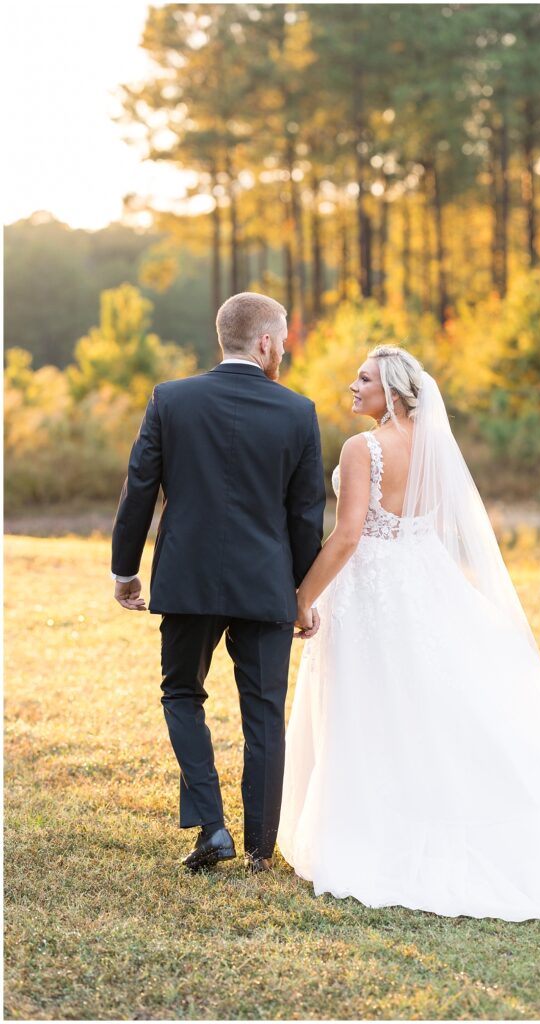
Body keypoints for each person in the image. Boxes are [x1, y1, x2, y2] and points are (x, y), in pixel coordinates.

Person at [277, 345, 540, 929]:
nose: (351, 386)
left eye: (362, 379)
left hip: (372, 587)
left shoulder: (362, 448)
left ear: (391, 391)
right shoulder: (436, 446)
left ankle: (375, 834)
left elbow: (345, 538)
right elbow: (436, 526)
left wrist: (302, 599)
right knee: (433, 708)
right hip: (425, 580)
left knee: (370, 706)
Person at [111, 292, 326, 873]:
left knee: (182, 693)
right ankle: (260, 850)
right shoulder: (298, 411)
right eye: (281, 339)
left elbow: (139, 488)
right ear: (264, 343)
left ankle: (212, 828)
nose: (283, 348)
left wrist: (125, 569)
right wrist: (305, 596)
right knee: (263, 712)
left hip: (188, 578)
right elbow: (306, 518)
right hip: (266, 586)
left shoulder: (171, 399)